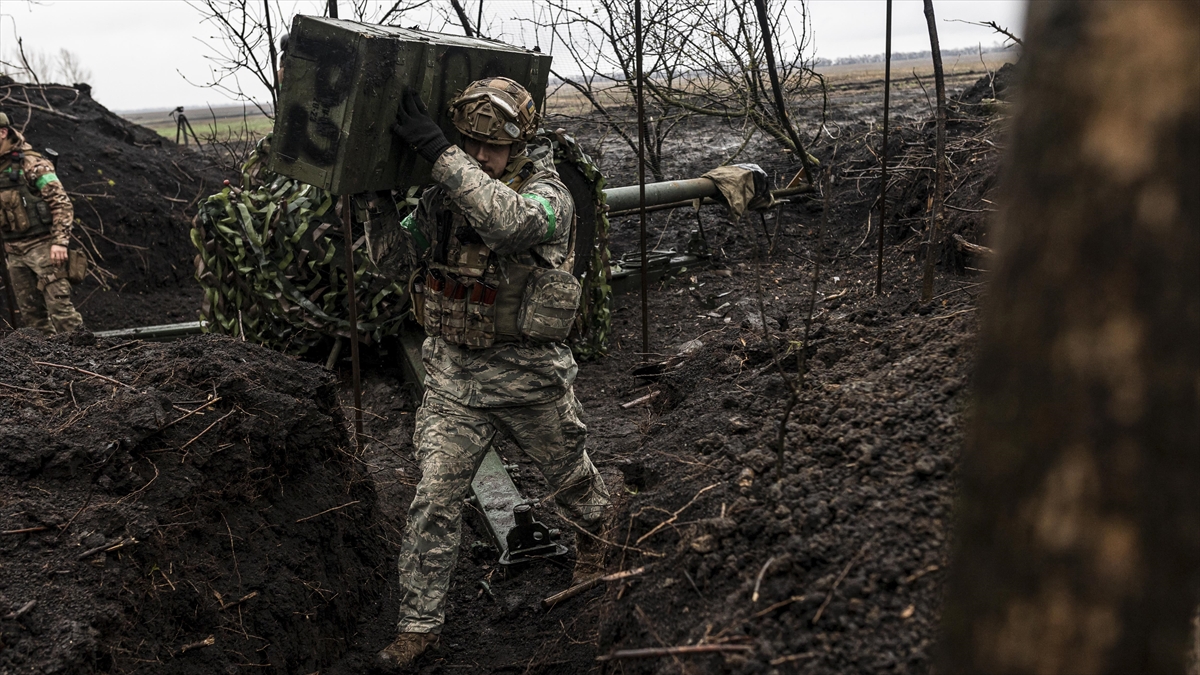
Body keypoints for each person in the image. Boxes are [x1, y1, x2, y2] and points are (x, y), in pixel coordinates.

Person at [376, 78, 613, 671]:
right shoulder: (445, 196)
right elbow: (393, 259)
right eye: (471, 142)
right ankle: (418, 626)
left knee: (574, 484)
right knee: (434, 499)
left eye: (495, 146)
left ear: (521, 144)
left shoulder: (547, 194)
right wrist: (377, 204)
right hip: (454, 382)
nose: (481, 155)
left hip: (528, 380)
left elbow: (510, 225)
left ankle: (602, 546)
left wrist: (440, 153)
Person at [0, 112, 83, 334]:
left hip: (44, 248)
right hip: (14, 252)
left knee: (61, 312)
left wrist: (60, 242)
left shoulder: (32, 163)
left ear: (2, 132)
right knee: (32, 319)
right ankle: (49, 366)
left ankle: (84, 359)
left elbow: (61, 204)